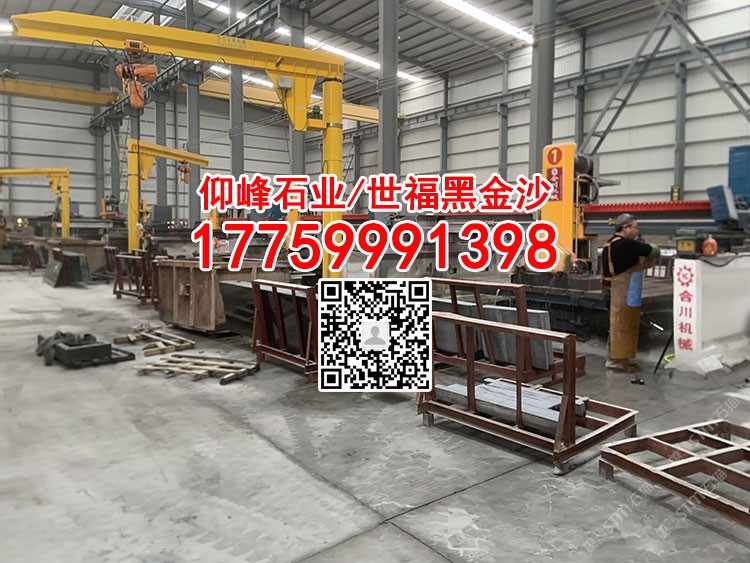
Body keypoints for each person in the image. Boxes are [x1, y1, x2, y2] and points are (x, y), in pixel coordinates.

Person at [601, 214, 660, 373]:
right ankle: (616, 362)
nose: (637, 230)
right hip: (619, 292)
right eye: (635, 227)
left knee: (619, 327)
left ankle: (622, 359)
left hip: (616, 290)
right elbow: (651, 250)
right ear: (625, 228)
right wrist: (652, 248)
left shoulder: (609, 243)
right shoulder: (625, 244)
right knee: (621, 327)